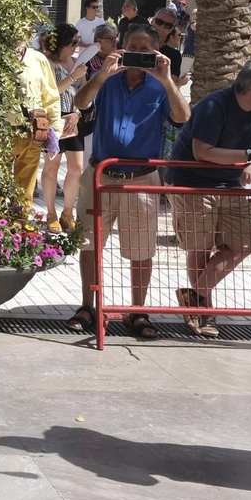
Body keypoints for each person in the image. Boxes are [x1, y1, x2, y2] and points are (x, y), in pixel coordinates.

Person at [66, 24, 190, 337]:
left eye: (145, 49)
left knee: (141, 250)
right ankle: (88, 306)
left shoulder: (161, 85)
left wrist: (166, 79)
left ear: (156, 50)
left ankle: (138, 311)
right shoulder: (106, 80)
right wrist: (101, 76)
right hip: (99, 176)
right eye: (132, 47)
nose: (138, 54)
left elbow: (182, 117)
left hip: (141, 180)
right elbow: (80, 102)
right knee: (90, 245)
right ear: (122, 47)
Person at [164, 58, 251, 337]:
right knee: (199, 249)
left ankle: (195, 298)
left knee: (242, 246)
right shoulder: (214, 105)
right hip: (191, 184)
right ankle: (205, 314)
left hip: (230, 185)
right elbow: (203, 152)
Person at [39, 24, 87, 230]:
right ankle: (51, 213)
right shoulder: (47, 64)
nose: (76, 47)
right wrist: (73, 76)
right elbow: (52, 92)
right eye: (72, 43)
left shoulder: (77, 63)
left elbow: (84, 93)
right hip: (53, 120)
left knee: (76, 168)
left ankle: (68, 213)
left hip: (73, 121)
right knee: (51, 168)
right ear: (60, 44)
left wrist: (77, 113)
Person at [13, 26, 62, 213]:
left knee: (26, 186)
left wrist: (55, 130)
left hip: (32, 132)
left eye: (25, 29)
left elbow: (50, 95)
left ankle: (21, 225)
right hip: (1, 132)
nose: (21, 32)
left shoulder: (38, 59)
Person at [151, 7, 187, 86]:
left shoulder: (174, 55)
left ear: (171, 29)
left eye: (168, 25)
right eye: (159, 22)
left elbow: (171, 83)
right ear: (152, 21)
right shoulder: (137, 47)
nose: (162, 28)